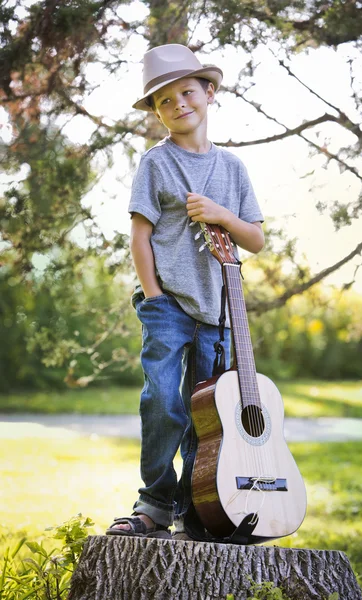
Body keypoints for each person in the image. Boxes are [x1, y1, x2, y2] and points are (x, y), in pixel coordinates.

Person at [106, 43, 264, 540]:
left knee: (208, 416)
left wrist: (221, 214)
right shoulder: (156, 163)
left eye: (187, 93)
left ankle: (200, 507)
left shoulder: (232, 169)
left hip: (218, 311)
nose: (179, 105)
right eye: (165, 101)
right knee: (161, 402)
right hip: (168, 304)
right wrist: (153, 297)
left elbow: (255, 239)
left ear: (209, 92)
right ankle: (154, 503)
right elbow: (140, 235)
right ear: (156, 112)